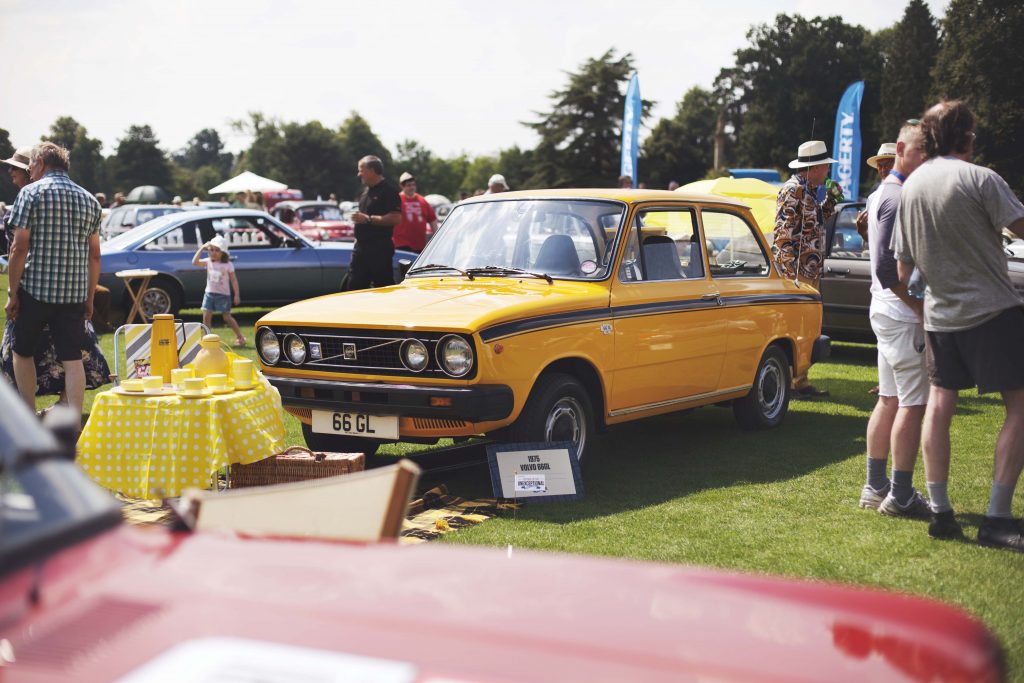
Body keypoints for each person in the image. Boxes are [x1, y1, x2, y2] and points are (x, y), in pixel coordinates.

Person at [893, 100, 1024, 551]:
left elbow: (902, 272)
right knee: (1021, 407)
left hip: (940, 317)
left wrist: (925, 301)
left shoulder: (910, 188)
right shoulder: (981, 178)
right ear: (966, 136)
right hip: (992, 311)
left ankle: (942, 514)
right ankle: (997, 518)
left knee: (938, 407)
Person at [859, 122, 930, 517]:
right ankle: (900, 494)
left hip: (885, 310)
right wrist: (918, 307)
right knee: (911, 404)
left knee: (890, 400)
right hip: (899, 314)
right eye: (922, 151)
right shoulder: (896, 196)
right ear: (902, 149)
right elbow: (889, 268)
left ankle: (875, 486)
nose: (927, 160)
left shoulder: (881, 194)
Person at [4, 142, 103, 419]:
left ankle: (28, 417)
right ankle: (72, 423)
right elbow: (95, 256)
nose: (30, 172)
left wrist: (13, 293)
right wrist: (90, 297)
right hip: (73, 294)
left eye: (31, 167)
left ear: (40, 163)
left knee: (22, 352)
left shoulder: (30, 193)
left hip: (35, 290)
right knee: (72, 359)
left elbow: (19, 247)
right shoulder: (90, 200)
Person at [774, 140, 844, 399]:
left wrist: (829, 202)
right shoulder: (793, 190)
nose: (827, 171)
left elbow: (814, 224)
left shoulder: (808, 191)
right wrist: (790, 274)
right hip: (799, 273)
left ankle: (800, 380)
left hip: (809, 270)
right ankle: (796, 381)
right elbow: (783, 234)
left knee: (808, 327)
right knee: (799, 326)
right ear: (813, 168)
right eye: (825, 166)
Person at [345, 155, 402, 291]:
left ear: (372, 171)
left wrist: (369, 219)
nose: (359, 174)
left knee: (383, 289)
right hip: (361, 249)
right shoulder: (365, 192)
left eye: (361, 170)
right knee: (353, 290)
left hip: (379, 250)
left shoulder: (389, 191)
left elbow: (396, 218)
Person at [192, 235, 245, 346]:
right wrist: (202, 248)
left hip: (223, 295)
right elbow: (194, 262)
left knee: (227, 317)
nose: (214, 252)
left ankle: (240, 337)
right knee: (206, 317)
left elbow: (234, 280)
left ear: (223, 252)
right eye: (211, 250)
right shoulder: (208, 262)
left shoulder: (228, 265)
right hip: (209, 293)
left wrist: (237, 295)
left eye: (217, 250)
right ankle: (207, 339)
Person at [856, 142, 897, 244]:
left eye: (888, 165)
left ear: (897, 164)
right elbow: (873, 241)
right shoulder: (872, 198)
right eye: (879, 166)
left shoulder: (907, 194)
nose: (883, 169)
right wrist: (862, 231)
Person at [392, 172, 438, 253]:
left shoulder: (422, 200)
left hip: (420, 246)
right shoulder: (396, 200)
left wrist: (437, 238)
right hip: (401, 245)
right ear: (402, 186)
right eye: (409, 185)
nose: (412, 187)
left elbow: (432, 219)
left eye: (413, 185)